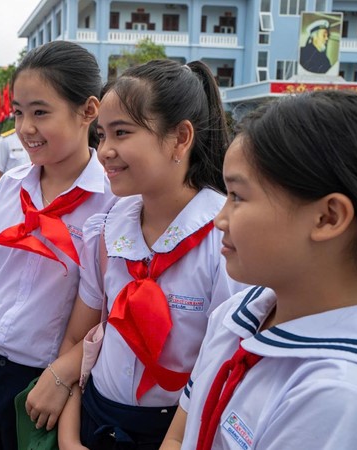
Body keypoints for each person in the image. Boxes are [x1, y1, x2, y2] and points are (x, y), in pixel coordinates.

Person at [160, 90, 357, 449]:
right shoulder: (237, 316)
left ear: (327, 218)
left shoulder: (346, 401)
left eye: (238, 197)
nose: (220, 219)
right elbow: (181, 434)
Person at [34, 60, 246, 450]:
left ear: (180, 138)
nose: (104, 152)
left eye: (121, 132)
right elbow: (83, 335)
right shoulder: (108, 230)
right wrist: (68, 436)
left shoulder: (225, 241)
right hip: (95, 421)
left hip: (170, 433)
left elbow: (223, 373)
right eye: (101, 135)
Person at [0, 40, 116, 449]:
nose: (24, 129)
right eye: (19, 113)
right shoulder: (10, 188)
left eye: (40, 112)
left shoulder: (114, 205)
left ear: (89, 111)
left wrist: (63, 376)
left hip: (44, 386)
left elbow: (113, 311)